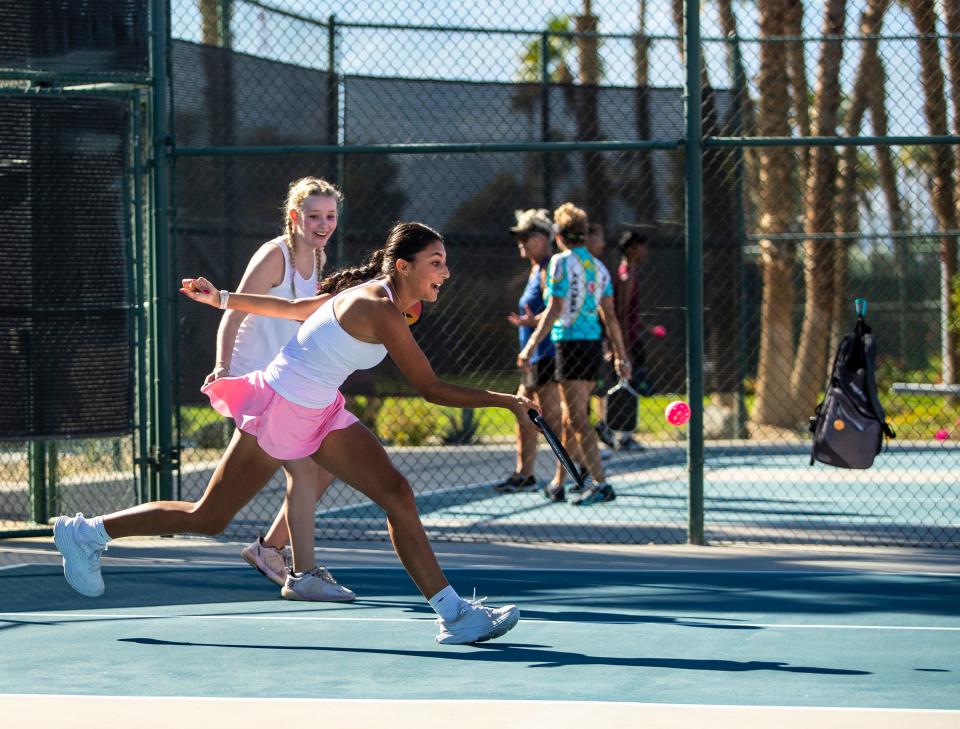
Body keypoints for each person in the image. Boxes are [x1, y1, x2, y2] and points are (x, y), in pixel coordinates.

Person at [53, 222, 535, 645]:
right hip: (282, 405)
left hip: (321, 409)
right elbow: (428, 387)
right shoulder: (379, 307)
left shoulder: (383, 298)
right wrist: (507, 402)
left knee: (397, 493)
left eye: (445, 262)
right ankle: (88, 532)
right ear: (404, 267)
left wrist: (220, 297)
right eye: (435, 262)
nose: (445, 272)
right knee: (209, 518)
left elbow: (297, 308)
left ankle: (455, 615)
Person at [211, 176, 352, 601]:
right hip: (256, 384)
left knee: (328, 463)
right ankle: (302, 573)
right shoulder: (275, 256)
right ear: (295, 217)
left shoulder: (318, 258)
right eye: (314, 216)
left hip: (286, 385)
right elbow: (232, 310)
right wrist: (220, 366)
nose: (323, 224)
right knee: (304, 469)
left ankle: (270, 549)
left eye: (330, 216)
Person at [518, 203, 631, 506]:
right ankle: (559, 482)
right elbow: (609, 315)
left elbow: (554, 310)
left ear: (558, 234)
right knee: (571, 417)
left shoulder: (559, 264)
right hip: (592, 346)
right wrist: (621, 355)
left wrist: (529, 347)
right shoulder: (599, 267)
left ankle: (600, 482)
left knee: (578, 418)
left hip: (568, 345)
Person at [496, 209, 563, 493]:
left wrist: (531, 322)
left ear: (541, 238)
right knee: (524, 412)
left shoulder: (551, 268)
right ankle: (525, 474)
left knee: (553, 421)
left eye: (525, 236)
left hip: (547, 355)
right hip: (532, 358)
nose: (520, 242)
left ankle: (566, 475)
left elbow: (557, 311)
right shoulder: (537, 268)